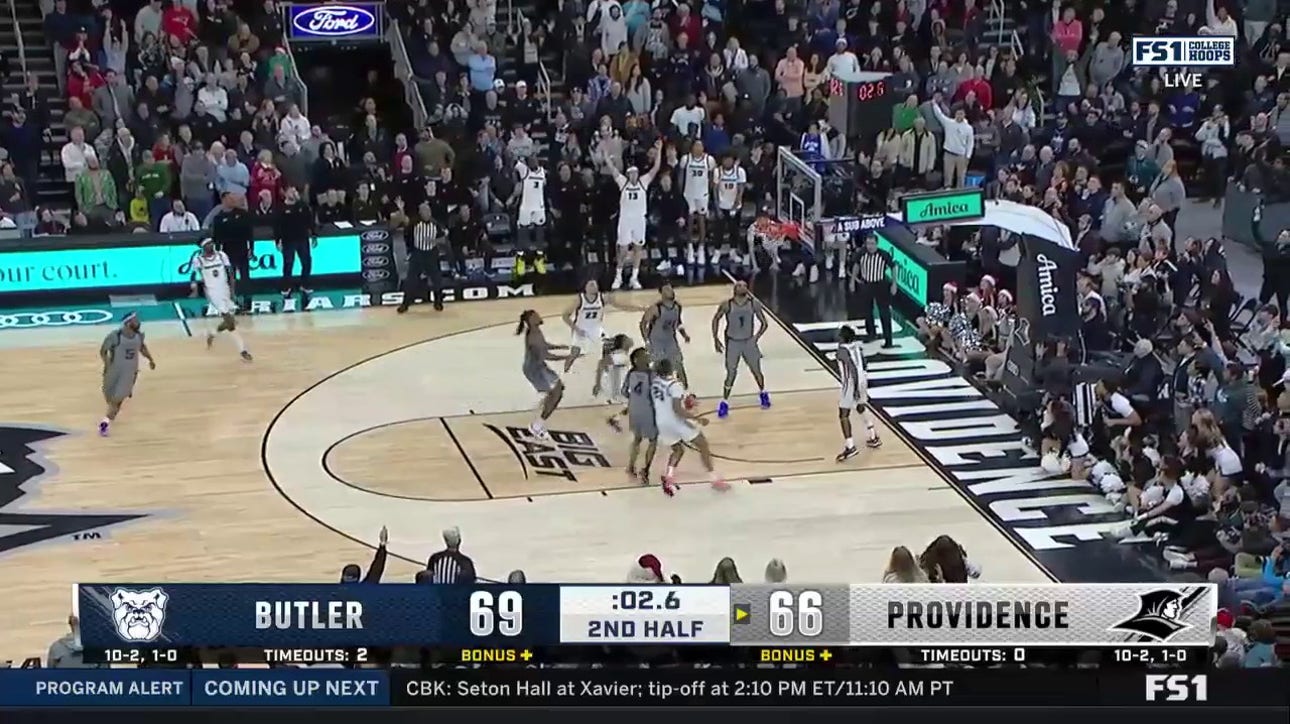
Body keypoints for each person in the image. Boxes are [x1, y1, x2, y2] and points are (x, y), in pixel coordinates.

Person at [652, 357, 726, 494]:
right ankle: (714, 479)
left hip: (661, 422)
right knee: (703, 445)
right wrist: (697, 419)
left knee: (677, 450)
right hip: (675, 422)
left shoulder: (655, 383)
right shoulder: (675, 385)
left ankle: (669, 477)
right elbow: (677, 409)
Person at [711, 280, 770, 418]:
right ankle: (724, 402)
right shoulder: (727, 304)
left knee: (756, 370)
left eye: (745, 285)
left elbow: (764, 323)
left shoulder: (754, 303)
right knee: (731, 373)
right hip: (733, 343)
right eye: (740, 285)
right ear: (734, 289)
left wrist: (756, 337)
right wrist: (715, 339)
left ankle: (763, 393)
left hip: (748, 341)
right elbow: (715, 319)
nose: (743, 287)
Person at [609, 139, 663, 290]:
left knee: (638, 248)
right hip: (625, 220)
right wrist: (606, 156)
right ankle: (618, 277)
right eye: (631, 174)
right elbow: (613, 170)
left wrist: (659, 150)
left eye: (635, 173)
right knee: (623, 249)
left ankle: (634, 277)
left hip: (639, 219)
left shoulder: (643, 182)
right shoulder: (623, 182)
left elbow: (656, 168)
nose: (633, 176)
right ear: (628, 174)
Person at [189, 239, 252, 362]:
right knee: (230, 322)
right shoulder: (198, 260)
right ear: (203, 247)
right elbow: (194, 276)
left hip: (225, 289)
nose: (211, 245)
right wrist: (195, 289)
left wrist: (232, 290)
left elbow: (230, 273)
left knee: (229, 321)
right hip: (213, 293)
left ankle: (212, 334)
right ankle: (243, 350)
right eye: (208, 244)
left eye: (212, 243)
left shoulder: (222, 255)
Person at [560, 278, 639, 374]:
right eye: (590, 284)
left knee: (610, 345)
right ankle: (565, 371)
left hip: (596, 328)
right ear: (585, 287)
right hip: (581, 329)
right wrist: (575, 329)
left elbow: (621, 306)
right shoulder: (579, 299)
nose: (593, 286)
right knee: (575, 353)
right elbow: (565, 316)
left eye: (594, 284)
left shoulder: (603, 298)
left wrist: (639, 308)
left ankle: (606, 368)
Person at [98, 313, 156, 436]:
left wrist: (150, 359)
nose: (138, 322)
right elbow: (103, 350)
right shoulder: (115, 336)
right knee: (111, 399)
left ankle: (105, 423)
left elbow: (143, 348)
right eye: (135, 320)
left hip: (129, 372)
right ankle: (108, 418)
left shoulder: (139, 336)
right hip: (114, 370)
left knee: (117, 400)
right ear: (128, 323)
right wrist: (107, 363)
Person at [609, 347, 659, 487]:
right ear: (637, 360)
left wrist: (635, 400)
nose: (648, 357)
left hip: (634, 409)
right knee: (653, 440)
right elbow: (656, 393)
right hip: (648, 411)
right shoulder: (651, 374)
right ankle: (646, 470)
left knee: (637, 439)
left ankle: (631, 466)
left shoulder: (631, 373)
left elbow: (624, 391)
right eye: (645, 356)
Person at [518, 309, 570, 439]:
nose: (539, 316)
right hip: (535, 370)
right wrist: (567, 357)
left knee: (559, 388)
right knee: (557, 394)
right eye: (536, 316)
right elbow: (546, 355)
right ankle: (536, 426)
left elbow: (544, 346)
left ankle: (546, 401)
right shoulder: (533, 335)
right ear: (530, 321)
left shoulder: (536, 332)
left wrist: (559, 347)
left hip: (539, 367)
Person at [835, 325, 881, 461]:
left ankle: (850, 447)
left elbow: (852, 368)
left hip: (851, 383)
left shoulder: (841, 351)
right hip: (862, 379)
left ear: (843, 337)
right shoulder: (857, 347)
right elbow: (864, 363)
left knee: (843, 414)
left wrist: (854, 388)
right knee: (861, 406)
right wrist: (863, 379)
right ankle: (873, 436)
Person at [397, 201, 447, 313]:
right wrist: (401, 210)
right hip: (418, 253)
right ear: (421, 213)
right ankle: (405, 304)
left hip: (431, 254)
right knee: (411, 280)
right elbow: (404, 220)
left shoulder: (435, 223)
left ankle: (438, 302)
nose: (427, 213)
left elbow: (443, 239)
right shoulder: (415, 223)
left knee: (436, 279)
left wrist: (433, 240)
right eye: (424, 211)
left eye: (428, 211)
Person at [207, 193, 254, 310]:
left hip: (242, 248)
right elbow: (216, 238)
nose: (233, 200)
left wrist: (251, 248)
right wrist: (217, 253)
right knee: (229, 278)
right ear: (223, 201)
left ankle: (247, 300)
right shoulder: (218, 218)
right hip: (227, 251)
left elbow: (250, 233)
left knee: (245, 276)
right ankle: (231, 300)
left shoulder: (242, 214)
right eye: (230, 199)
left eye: (233, 198)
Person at [851, 234, 897, 348]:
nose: (870, 246)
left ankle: (888, 340)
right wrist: (852, 280)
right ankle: (871, 334)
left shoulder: (883, 254)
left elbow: (894, 267)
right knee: (867, 311)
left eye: (872, 244)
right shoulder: (861, 253)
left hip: (880, 285)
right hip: (867, 284)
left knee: (884, 312)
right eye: (868, 244)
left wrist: (894, 284)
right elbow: (856, 265)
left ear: (876, 244)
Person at [640, 281, 689, 386]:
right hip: (656, 342)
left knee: (678, 364)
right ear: (661, 293)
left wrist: (684, 335)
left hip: (670, 340)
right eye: (667, 289)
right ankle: (653, 389)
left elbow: (678, 322)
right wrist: (647, 340)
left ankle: (684, 389)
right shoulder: (655, 309)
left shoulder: (677, 307)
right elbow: (643, 324)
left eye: (671, 289)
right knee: (657, 368)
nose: (670, 291)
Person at [275, 185, 315, 299]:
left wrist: (314, 234)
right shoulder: (281, 208)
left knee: (306, 262)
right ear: (286, 193)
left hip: (303, 239)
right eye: (291, 191)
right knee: (288, 264)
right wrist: (278, 241)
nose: (294, 193)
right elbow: (277, 226)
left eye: (295, 191)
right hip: (288, 240)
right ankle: (286, 286)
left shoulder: (302, 206)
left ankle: (305, 284)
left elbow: (310, 221)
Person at [682, 139, 716, 260]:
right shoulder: (686, 159)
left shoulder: (709, 160)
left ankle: (701, 248)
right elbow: (682, 176)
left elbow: (712, 178)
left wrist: (710, 192)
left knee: (702, 220)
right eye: (696, 146)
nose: (698, 148)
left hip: (703, 194)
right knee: (690, 220)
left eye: (700, 146)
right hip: (689, 194)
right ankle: (690, 247)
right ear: (692, 148)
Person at [513, 154, 548, 250]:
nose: (534, 162)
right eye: (531, 160)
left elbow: (544, 183)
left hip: (538, 205)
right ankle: (523, 250)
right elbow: (513, 161)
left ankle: (539, 252)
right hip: (526, 205)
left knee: (540, 229)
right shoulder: (525, 170)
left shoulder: (542, 172)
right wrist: (521, 159)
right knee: (523, 228)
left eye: (535, 160)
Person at [593, 333, 634, 404]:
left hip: (616, 395)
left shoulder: (621, 355)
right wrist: (598, 384)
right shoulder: (621, 356)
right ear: (623, 343)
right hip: (618, 396)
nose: (630, 339)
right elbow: (602, 362)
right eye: (626, 339)